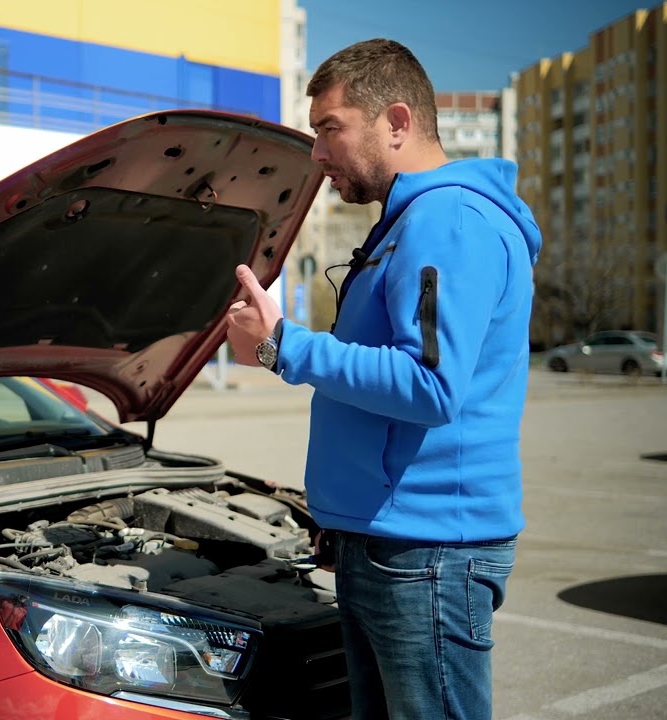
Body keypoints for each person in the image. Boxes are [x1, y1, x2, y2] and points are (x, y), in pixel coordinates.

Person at [226, 39, 542, 720]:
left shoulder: (448, 221)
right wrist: (344, 512)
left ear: (396, 122)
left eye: (329, 129)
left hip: (428, 555)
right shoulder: (409, 224)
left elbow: (429, 385)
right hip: (391, 542)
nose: (316, 154)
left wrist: (284, 346)